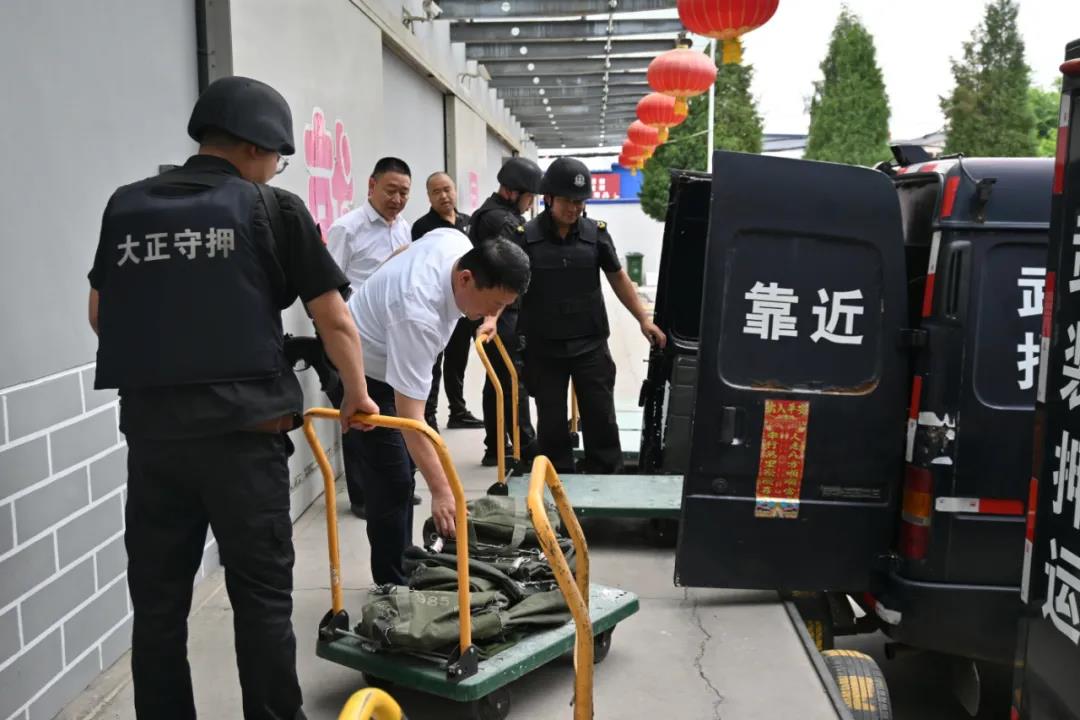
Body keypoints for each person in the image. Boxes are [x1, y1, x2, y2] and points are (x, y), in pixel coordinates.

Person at [87, 76, 378, 720]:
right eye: (277, 157)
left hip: (155, 442)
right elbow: (334, 319)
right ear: (256, 147)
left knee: (158, 605)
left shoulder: (126, 207)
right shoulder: (272, 208)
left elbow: (100, 314)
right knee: (261, 600)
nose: (275, 169)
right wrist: (356, 394)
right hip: (245, 444)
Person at [346, 233, 530, 584]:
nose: (491, 314)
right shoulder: (417, 314)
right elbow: (410, 419)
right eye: (492, 304)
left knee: (408, 466)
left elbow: (404, 250)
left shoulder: (456, 242)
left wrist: (379, 289)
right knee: (393, 479)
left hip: (396, 348)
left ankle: (404, 560)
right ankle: (392, 585)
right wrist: (443, 492)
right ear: (466, 279)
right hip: (363, 369)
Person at [517, 157, 666, 474]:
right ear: (549, 198)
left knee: (601, 416)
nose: (575, 208)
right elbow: (509, 285)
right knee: (551, 421)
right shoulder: (526, 237)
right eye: (568, 201)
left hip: (590, 344)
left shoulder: (595, 234)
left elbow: (618, 278)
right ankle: (557, 480)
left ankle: (607, 476)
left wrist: (643, 319)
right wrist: (491, 319)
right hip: (545, 347)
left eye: (580, 202)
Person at [326, 157, 414, 517]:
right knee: (358, 413)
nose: (397, 200)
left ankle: (395, 485)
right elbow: (328, 288)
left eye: (404, 193)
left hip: (390, 337)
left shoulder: (403, 227)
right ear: (371, 185)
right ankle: (361, 495)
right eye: (391, 190)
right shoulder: (347, 229)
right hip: (354, 336)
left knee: (388, 412)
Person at [469, 157, 544, 467]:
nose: (530, 204)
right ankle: (524, 447)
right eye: (530, 197)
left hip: (494, 310)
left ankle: (496, 447)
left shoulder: (488, 214)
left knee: (498, 381)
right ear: (514, 192)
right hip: (502, 312)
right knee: (513, 379)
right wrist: (495, 316)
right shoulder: (503, 223)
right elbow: (512, 272)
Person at [410, 172, 483, 431]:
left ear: (455, 190)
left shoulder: (468, 222)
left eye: (447, 189)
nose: (444, 196)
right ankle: (428, 415)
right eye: (436, 191)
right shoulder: (423, 227)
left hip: (465, 303)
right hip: (438, 305)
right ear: (429, 197)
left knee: (458, 359)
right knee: (433, 362)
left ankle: (458, 411)